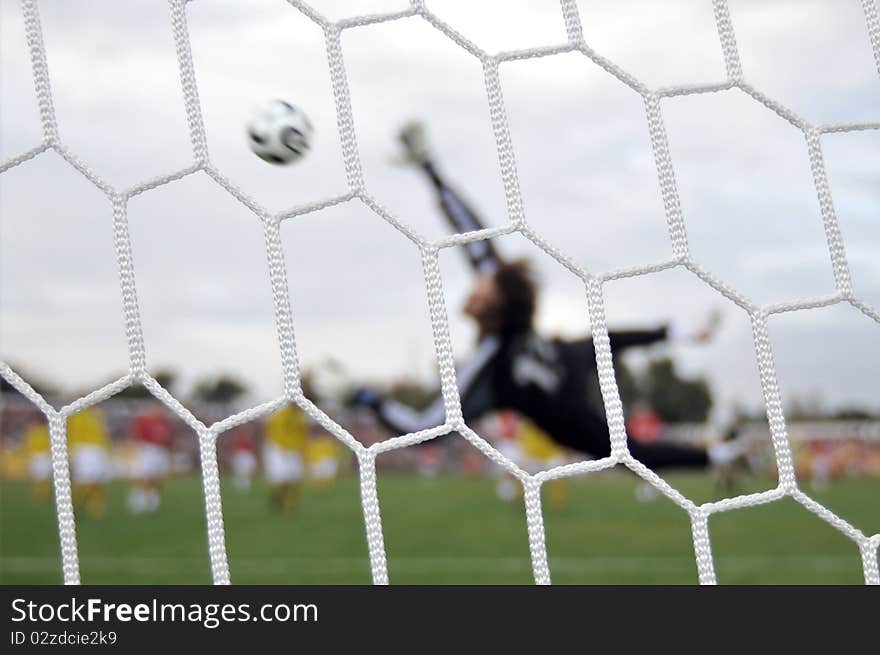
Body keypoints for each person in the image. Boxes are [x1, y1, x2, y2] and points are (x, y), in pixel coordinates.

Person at [348, 122, 743, 471]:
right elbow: (470, 232)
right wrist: (431, 170)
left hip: (564, 414)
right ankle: (689, 355)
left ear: (497, 306)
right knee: (607, 348)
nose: (475, 287)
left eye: (483, 287)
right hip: (560, 360)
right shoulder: (506, 308)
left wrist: (374, 400)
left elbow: (425, 429)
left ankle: (714, 453)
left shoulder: (490, 366)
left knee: (628, 453)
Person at [128, 402, 173, 513]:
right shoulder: (144, 421)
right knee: (146, 476)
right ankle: (138, 500)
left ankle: (153, 499)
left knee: (158, 478)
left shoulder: (164, 422)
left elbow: (169, 438)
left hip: (162, 451)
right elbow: (138, 435)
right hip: (149, 450)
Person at [263, 404, 308, 515]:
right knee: (282, 479)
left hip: (294, 450)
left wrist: (301, 448)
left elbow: (302, 434)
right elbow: (275, 432)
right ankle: (279, 498)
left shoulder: (300, 416)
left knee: (295, 479)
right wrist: (283, 447)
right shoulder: (280, 415)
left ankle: (290, 506)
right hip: (280, 449)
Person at [67, 407, 112, 518]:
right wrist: (72, 451)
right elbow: (72, 433)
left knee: (98, 480)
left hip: (98, 450)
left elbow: (102, 433)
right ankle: (75, 505)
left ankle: (96, 507)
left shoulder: (97, 414)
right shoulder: (76, 415)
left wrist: (106, 448)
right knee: (87, 481)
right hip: (84, 450)